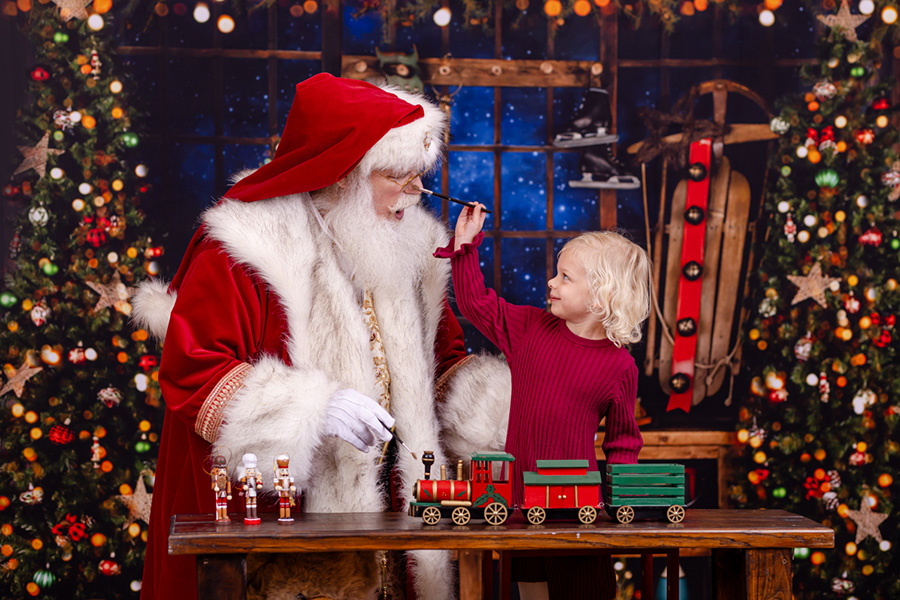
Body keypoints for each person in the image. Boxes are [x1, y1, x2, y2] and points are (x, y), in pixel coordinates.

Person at [132, 73, 512, 600]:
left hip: (395, 530)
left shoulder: (412, 247)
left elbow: (442, 365)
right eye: (396, 176)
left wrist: (502, 404)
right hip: (280, 526)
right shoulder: (246, 246)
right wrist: (312, 407)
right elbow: (193, 371)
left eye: (418, 175)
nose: (417, 192)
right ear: (342, 174)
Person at [434, 205, 650, 600]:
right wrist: (464, 246)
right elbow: (475, 303)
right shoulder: (530, 329)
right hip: (519, 508)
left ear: (601, 296)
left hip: (579, 512)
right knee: (532, 592)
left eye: (565, 277)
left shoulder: (621, 366)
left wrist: (624, 506)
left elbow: (622, 444)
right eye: (556, 273)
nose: (551, 282)